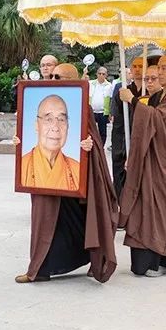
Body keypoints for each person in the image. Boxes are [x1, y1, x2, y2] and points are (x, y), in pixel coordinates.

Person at [15, 63, 118, 284]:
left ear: (73, 80)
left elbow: (94, 143)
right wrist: (19, 142)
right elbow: (29, 133)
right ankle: (40, 268)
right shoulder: (38, 98)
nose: (52, 79)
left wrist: (89, 146)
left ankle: (93, 257)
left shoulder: (82, 106)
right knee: (44, 219)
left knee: (83, 218)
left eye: (58, 76)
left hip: (74, 175)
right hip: (43, 176)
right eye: (51, 75)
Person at [119, 53, 166, 277]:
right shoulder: (156, 97)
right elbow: (146, 127)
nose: (159, 72)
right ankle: (144, 258)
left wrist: (132, 100)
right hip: (148, 165)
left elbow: (158, 121)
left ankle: (164, 261)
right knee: (144, 208)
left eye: (164, 68)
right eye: (158, 68)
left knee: (163, 211)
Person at [110, 56, 155, 196]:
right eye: (134, 66)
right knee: (120, 174)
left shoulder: (151, 93)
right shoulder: (123, 92)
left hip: (143, 139)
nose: (137, 69)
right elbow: (117, 121)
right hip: (123, 138)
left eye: (141, 66)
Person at [20, 94, 81, 191]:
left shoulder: (77, 169)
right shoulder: (22, 166)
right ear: (36, 125)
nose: (56, 128)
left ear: (68, 126)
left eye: (61, 119)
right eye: (49, 119)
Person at [87, 66, 113, 146]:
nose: (101, 75)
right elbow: (82, 84)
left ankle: (101, 147)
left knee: (103, 131)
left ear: (106, 75)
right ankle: (92, 146)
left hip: (103, 112)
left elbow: (111, 100)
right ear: (96, 74)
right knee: (90, 130)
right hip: (91, 111)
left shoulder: (109, 85)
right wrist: (84, 74)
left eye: (103, 74)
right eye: (99, 73)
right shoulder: (90, 83)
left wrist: (110, 113)